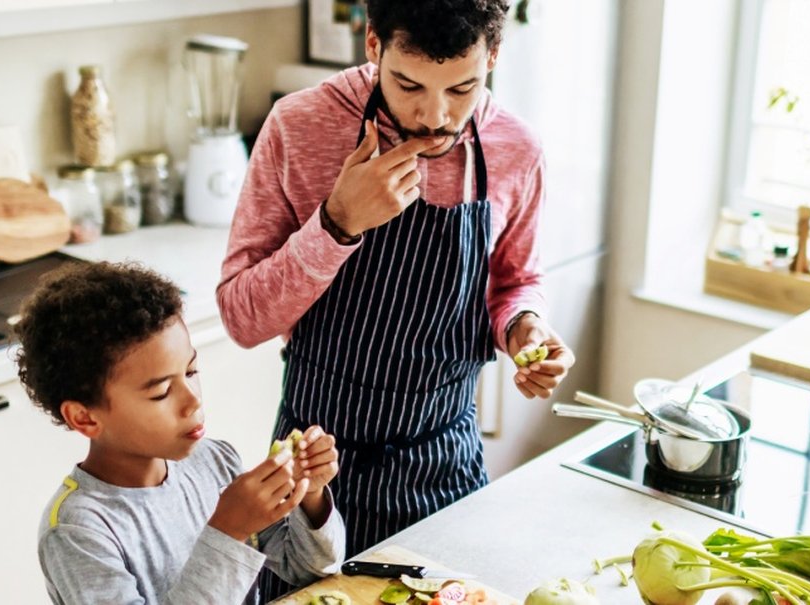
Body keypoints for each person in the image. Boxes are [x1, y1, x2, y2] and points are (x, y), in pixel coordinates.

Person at [218, 0, 575, 557]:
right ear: (373, 46)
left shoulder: (516, 149)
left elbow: (515, 282)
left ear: (494, 57)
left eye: (462, 89)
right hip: (315, 472)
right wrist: (336, 224)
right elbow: (241, 320)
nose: (435, 116)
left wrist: (524, 328)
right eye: (409, 86)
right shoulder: (299, 126)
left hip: (445, 463)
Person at [15, 262, 345, 604]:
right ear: (84, 417)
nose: (193, 400)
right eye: (160, 393)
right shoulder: (77, 530)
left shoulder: (215, 463)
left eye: (191, 371)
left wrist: (311, 498)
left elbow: (312, 571)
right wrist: (228, 531)